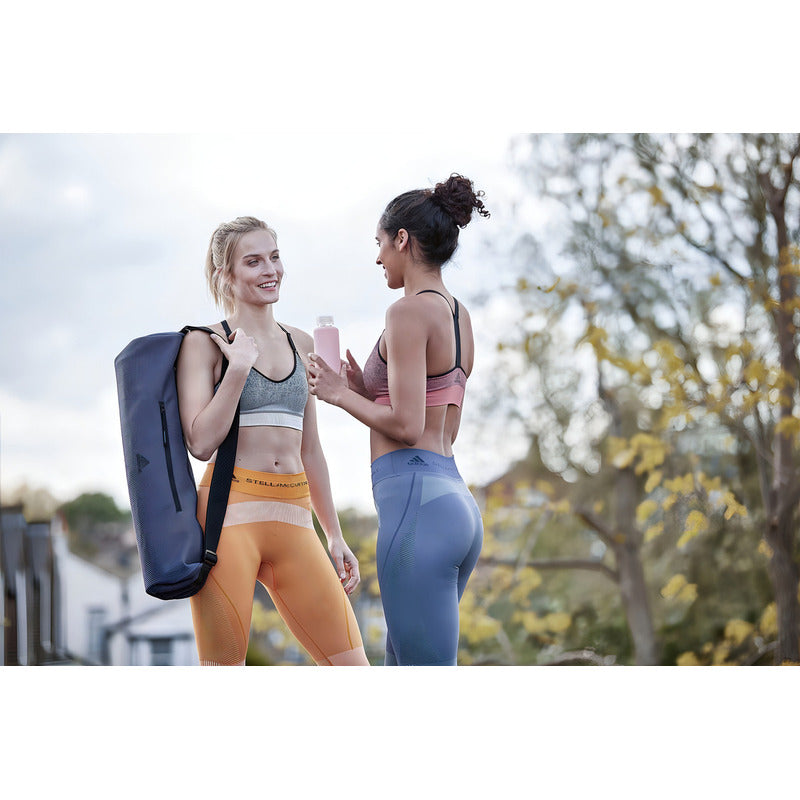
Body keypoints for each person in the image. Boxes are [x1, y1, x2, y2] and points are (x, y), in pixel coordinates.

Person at [307, 174, 489, 665]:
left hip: (417, 510)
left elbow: (407, 428)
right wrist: (366, 389)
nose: (378, 257)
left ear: (403, 240)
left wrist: (342, 395)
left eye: (380, 243)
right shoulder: (459, 315)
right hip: (453, 501)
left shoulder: (406, 312)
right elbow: (432, 411)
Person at [176, 216, 369, 666]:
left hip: (296, 518)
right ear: (227, 274)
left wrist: (334, 535)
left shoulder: (301, 342)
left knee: (354, 667)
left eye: (275, 257)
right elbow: (200, 443)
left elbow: (311, 449)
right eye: (254, 261)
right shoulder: (203, 344)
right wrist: (238, 368)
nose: (270, 270)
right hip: (229, 521)